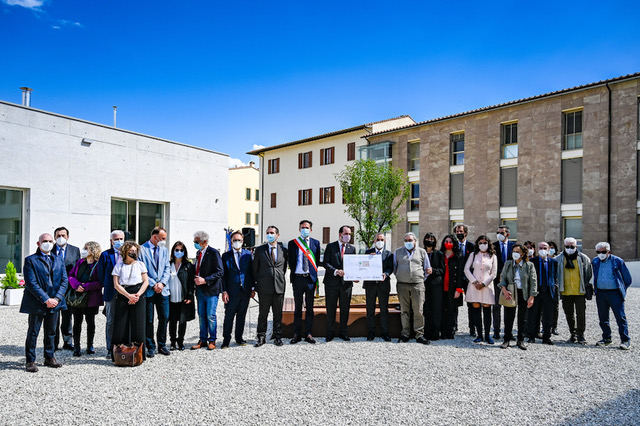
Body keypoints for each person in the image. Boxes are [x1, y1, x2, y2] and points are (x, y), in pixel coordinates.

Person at [21, 233, 69, 372]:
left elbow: (64, 281)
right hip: (38, 302)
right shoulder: (31, 260)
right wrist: (46, 299)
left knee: (51, 332)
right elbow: (31, 283)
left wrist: (57, 299)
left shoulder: (58, 259)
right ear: (38, 243)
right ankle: (30, 360)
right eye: (44, 241)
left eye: (49, 241)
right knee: (33, 332)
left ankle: (49, 357)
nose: (47, 243)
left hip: (55, 302)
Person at [592, 242, 632, 350]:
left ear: (609, 251)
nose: (601, 254)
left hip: (614, 293)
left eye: (603, 252)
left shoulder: (618, 261)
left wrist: (621, 290)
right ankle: (606, 338)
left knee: (620, 317)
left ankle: (625, 340)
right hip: (600, 293)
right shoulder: (595, 261)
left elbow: (627, 279)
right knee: (603, 317)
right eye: (598, 252)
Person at [111, 241, 149, 358]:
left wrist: (137, 295)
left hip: (138, 294)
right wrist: (129, 296)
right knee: (120, 325)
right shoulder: (119, 266)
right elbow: (116, 285)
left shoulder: (140, 265)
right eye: (131, 251)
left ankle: (139, 354)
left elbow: (146, 281)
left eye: (135, 251)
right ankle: (119, 354)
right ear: (125, 252)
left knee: (139, 325)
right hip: (123, 295)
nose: (133, 253)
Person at [393, 232, 432, 344]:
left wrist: (420, 278)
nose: (408, 242)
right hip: (402, 285)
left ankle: (419, 334)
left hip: (417, 285)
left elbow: (427, 268)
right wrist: (402, 276)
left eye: (410, 240)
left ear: (415, 241)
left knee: (418, 310)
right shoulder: (398, 252)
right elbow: (395, 268)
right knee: (404, 310)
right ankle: (405, 334)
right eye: (406, 240)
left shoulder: (422, 252)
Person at [253, 226, 288, 347]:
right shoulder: (260, 250)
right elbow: (255, 269)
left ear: (277, 235)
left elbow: (283, 268)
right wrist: (255, 286)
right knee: (263, 313)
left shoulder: (283, 250)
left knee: (277, 314)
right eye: (268, 233)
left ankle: (278, 336)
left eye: (272, 233)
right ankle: (261, 336)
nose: (269, 234)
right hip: (264, 288)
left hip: (279, 287)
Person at [288, 220, 321, 344]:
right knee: (297, 308)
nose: (304, 229)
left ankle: (308, 333)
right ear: (299, 229)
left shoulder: (316, 243)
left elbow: (316, 261)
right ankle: (296, 333)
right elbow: (291, 261)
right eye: (302, 227)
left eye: (307, 227)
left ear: (311, 230)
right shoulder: (293, 243)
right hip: (297, 279)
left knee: (310, 308)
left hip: (310, 279)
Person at [498, 244, 537, 350]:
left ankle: (520, 340)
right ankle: (506, 339)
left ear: (523, 254)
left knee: (523, 318)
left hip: (523, 293)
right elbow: (503, 278)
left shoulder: (529, 265)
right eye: (513, 251)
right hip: (510, 292)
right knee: (508, 317)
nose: (515, 253)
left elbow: (533, 281)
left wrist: (532, 296)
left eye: (517, 251)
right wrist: (504, 290)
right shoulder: (508, 264)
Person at [140, 227, 171, 357]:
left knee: (164, 317)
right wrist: (153, 284)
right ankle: (150, 346)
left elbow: (167, 268)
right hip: (149, 290)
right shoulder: (141, 249)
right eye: (162, 238)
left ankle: (162, 345)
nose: (164, 241)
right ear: (154, 237)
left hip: (163, 290)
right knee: (149, 320)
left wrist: (162, 283)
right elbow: (141, 269)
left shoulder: (164, 250)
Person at [67, 241, 103, 356]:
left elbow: (100, 282)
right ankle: (77, 346)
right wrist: (76, 285)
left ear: (93, 250)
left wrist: (85, 286)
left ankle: (90, 345)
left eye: (86, 248)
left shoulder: (98, 264)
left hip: (91, 298)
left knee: (90, 322)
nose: (84, 250)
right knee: (77, 322)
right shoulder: (80, 262)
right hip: (77, 298)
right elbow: (71, 276)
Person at [556, 237, 593, 345]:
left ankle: (581, 334)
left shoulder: (583, 258)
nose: (569, 248)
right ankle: (573, 333)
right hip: (565, 291)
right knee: (569, 314)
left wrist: (584, 285)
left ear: (576, 246)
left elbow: (588, 273)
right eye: (567, 246)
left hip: (579, 292)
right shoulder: (559, 259)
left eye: (572, 246)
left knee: (581, 314)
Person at [322, 226, 356, 341]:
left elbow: (354, 265)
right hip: (331, 283)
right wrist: (336, 271)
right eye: (346, 233)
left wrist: (356, 275)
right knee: (331, 308)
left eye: (350, 234)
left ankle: (343, 332)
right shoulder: (331, 246)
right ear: (340, 234)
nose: (348, 236)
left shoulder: (352, 249)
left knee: (345, 308)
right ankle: (330, 332)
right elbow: (325, 263)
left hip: (346, 284)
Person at [191, 231, 224, 350]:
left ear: (204, 242)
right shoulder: (198, 253)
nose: (195, 243)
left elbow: (220, 271)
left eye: (197, 242)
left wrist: (205, 280)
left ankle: (212, 340)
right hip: (199, 290)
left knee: (211, 315)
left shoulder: (214, 253)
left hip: (211, 289)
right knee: (201, 315)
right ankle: (202, 339)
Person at [221, 232, 255, 348]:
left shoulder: (248, 254)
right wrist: (224, 291)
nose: (237, 242)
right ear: (231, 242)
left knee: (242, 315)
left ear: (243, 241)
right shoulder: (225, 256)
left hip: (245, 290)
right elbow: (223, 275)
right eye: (234, 240)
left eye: (239, 240)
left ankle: (239, 338)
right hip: (231, 291)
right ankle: (226, 339)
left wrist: (252, 288)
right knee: (229, 316)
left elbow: (251, 272)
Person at [464, 235, 498, 344]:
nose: (483, 245)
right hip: (474, 286)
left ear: (488, 244)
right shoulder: (473, 255)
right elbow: (466, 269)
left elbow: (494, 273)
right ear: (477, 244)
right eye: (480, 243)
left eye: (485, 242)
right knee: (476, 310)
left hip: (487, 286)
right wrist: (474, 281)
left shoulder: (493, 256)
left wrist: (484, 283)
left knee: (487, 311)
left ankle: (487, 335)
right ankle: (479, 335)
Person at [51, 226, 80, 351]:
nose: (61, 238)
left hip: (69, 289)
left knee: (67, 317)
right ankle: (53, 343)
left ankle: (68, 341)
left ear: (68, 237)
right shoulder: (49, 250)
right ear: (54, 237)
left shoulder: (75, 250)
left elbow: (78, 269)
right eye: (58, 235)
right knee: (53, 317)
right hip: (53, 289)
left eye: (63, 235)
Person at [97, 230, 125, 359]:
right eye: (116, 239)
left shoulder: (128, 254)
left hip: (126, 292)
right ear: (111, 241)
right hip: (111, 292)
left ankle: (123, 346)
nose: (119, 241)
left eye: (121, 238)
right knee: (110, 321)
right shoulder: (105, 255)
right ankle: (110, 348)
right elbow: (101, 274)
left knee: (124, 319)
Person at [363, 233, 393, 341]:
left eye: (382, 239)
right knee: (370, 309)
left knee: (384, 309)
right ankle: (371, 332)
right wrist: (369, 259)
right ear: (374, 241)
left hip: (383, 285)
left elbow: (390, 268)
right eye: (378, 239)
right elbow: (363, 266)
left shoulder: (388, 254)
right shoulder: (368, 252)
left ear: (384, 241)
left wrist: (386, 274)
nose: (380, 241)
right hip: (370, 285)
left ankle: (385, 332)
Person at [527, 241, 558, 345]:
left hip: (548, 291)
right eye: (540, 248)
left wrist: (555, 286)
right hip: (536, 291)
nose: (543, 250)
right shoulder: (532, 261)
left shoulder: (553, 262)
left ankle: (546, 337)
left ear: (548, 249)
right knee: (533, 314)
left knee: (548, 315)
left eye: (545, 248)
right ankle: (532, 336)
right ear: (537, 249)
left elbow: (555, 276)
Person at [167, 241, 195, 351]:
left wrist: (189, 296)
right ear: (173, 251)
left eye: (181, 250)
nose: (179, 252)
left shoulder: (188, 265)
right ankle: (173, 341)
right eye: (177, 250)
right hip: (171, 297)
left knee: (182, 321)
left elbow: (190, 283)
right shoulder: (168, 264)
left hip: (183, 298)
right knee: (172, 321)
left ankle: (181, 341)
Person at [440, 235, 465, 339]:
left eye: (450, 241)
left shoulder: (458, 256)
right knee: (442, 309)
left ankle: (450, 331)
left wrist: (459, 289)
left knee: (452, 310)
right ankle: (442, 330)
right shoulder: (440, 255)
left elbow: (460, 273)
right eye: (446, 241)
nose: (448, 243)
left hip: (453, 288)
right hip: (441, 287)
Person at [492, 225, 515, 339]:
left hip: (510, 281)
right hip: (496, 280)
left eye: (502, 232)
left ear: (508, 234)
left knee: (509, 306)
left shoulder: (513, 246)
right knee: (496, 306)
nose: (500, 234)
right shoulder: (493, 246)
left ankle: (508, 332)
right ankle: (496, 330)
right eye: (498, 232)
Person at [422, 233, 445, 341]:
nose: (429, 240)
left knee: (436, 309)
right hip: (424, 284)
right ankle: (426, 332)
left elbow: (442, 269)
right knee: (426, 308)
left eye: (431, 239)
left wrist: (433, 271)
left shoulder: (439, 254)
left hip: (436, 285)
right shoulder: (421, 253)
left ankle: (435, 333)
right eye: (427, 238)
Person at [454, 224, 475, 336]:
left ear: (465, 233)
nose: (459, 233)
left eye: (461, 231)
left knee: (471, 304)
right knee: (454, 303)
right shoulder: (453, 246)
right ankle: (454, 326)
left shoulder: (472, 246)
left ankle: (472, 328)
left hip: (468, 279)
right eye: (457, 231)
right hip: (456, 278)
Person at [547, 240, 560, 335]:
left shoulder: (558, 260)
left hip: (555, 286)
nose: (551, 250)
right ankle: (545, 326)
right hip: (545, 286)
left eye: (552, 248)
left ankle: (554, 326)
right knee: (545, 309)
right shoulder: (543, 259)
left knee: (555, 308)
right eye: (549, 248)